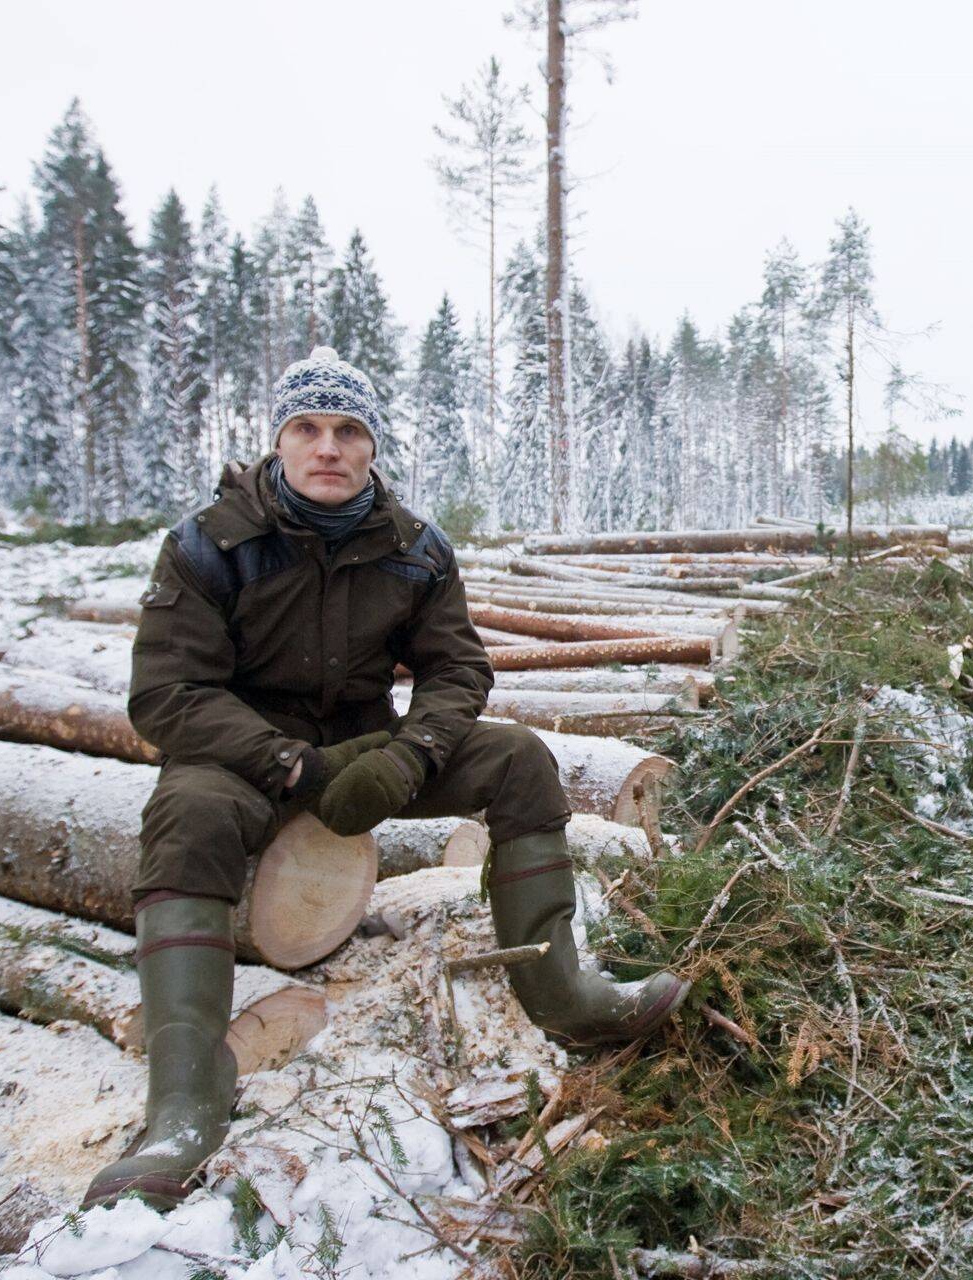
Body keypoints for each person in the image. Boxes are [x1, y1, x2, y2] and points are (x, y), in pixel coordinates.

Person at [82, 347, 688, 1211]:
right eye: (308, 429)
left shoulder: (414, 548)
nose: (327, 447)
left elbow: (457, 668)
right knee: (186, 811)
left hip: (368, 751)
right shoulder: (209, 545)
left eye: (347, 431)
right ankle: (184, 1103)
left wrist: (412, 753)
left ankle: (567, 995)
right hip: (243, 757)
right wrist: (287, 761)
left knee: (518, 756)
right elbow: (167, 694)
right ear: (280, 443)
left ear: (370, 446)